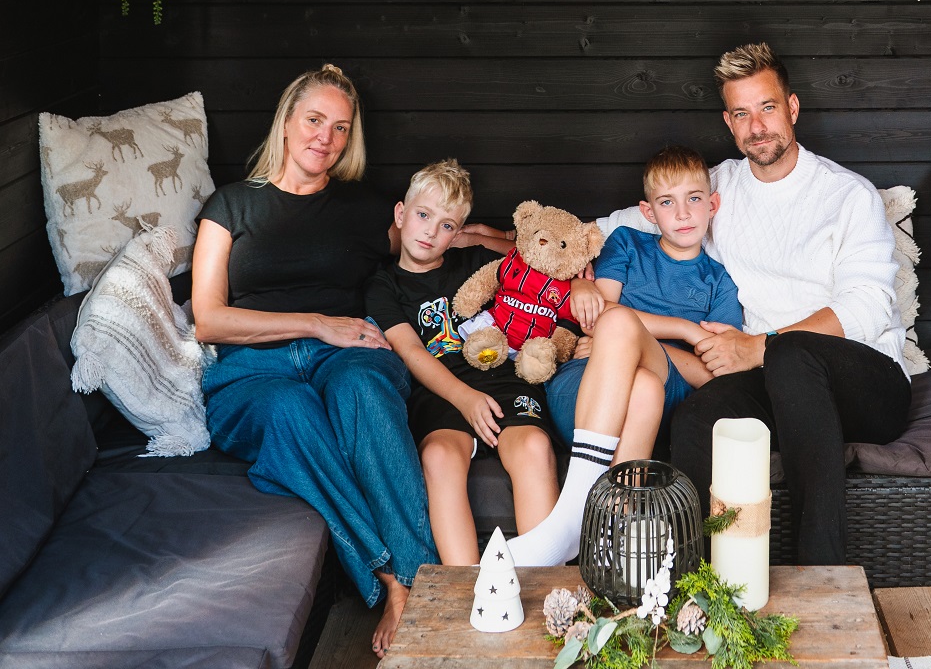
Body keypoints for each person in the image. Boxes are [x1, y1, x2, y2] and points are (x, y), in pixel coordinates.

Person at [596, 43, 912, 565]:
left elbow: (869, 306)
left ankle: (824, 576)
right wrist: (551, 257)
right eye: (742, 114)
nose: (757, 126)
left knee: (792, 357)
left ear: (791, 107)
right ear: (728, 121)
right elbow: (623, 224)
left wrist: (758, 347)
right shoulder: (716, 187)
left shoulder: (846, 195)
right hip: (773, 382)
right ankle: (690, 586)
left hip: (866, 383)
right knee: (699, 415)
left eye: (766, 108)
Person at [192, 64, 437, 658]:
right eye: (314, 120)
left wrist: (533, 250)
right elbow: (208, 317)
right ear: (287, 120)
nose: (324, 138)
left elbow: (442, 234)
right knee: (289, 409)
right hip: (252, 370)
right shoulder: (229, 207)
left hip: (346, 355)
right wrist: (314, 324)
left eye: (340, 129)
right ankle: (392, 576)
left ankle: (419, 584)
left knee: (362, 391)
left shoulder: (364, 209)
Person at [506, 145, 742, 567]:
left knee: (632, 350)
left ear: (713, 205)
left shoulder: (718, 282)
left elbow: (716, 375)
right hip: (585, 386)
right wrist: (686, 330)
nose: (683, 213)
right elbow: (597, 319)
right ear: (649, 212)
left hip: (667, 391)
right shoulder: (628, 243)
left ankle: (576, 513)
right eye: (667, 202)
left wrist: (636, 341)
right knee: (643, 383)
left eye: (694, 199)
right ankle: (612, 535)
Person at [364, 159, 561, 566]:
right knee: (438, 457)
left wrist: (481, 237)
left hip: (503, 377)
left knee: (535, 446)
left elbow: (540, 259)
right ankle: (464, 589)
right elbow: (411, 351)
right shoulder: (383, 284)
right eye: (423, 215)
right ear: (401, 214)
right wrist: (466, 399)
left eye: (447, 225)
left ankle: (543, 591)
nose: (431, 232)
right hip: (441, 391)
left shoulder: (472, 262)